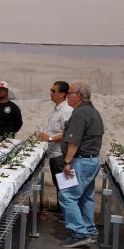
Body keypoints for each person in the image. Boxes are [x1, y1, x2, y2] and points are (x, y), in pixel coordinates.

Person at [58, 81, 104, 248]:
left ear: (78, 96)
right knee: (85, 198)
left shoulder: (80, 113)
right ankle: (89, 231)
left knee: (67, 196)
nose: (66, 96)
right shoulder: (93, 112)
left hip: (80, 161)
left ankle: (79, 233)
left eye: (69, 93)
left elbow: (74, 141)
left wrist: (67, 162)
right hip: (91, 160)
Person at [37, 81, 72, 212]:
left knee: (65, 186)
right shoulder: (58, 109)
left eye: (53, 91)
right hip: (55, 153)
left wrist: (50, 138)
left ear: (63, 94)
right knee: (59, 184)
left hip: (61, 154)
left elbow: (69, 132)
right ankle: (61, 210)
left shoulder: (66, 110)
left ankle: (67, 215)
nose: (50, 93)